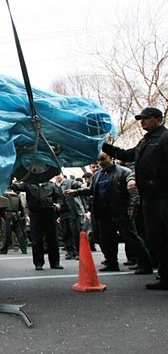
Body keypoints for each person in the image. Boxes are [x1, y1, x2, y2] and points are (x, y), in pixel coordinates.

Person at [102, 107, 168, 289]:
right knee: (156, 238)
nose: (142, 122)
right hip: (149, 198)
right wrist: (102, 145)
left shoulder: (164, 138)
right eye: (141, 119)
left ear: (158, 119)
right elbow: (125, 155)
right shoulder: (145, 141)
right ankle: (165, 277)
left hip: (163, 196)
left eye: (146, 119)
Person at [66, 152, 153, 274]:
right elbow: (91, 190)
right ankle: (111, 262)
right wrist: (76, 191)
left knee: (132, 238)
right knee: (107, 240)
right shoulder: (97, 175)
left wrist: (133, 206)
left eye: (103, 159)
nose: (100, 162)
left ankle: (145, 264)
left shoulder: (124, 172)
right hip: (103, 213)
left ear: (111, 158)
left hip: (121, 211)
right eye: (98, 160)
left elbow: (134, 191)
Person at [9, 180, 64, 270]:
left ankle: (55, 263)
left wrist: (58, 204)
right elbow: (15, 186)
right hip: (35, 214)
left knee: (52, 239)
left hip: (50, 213)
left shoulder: (51, 185)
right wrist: (9, 177)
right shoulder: (28, 184)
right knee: (36, 240)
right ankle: (38, 263)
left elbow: (58, 197)